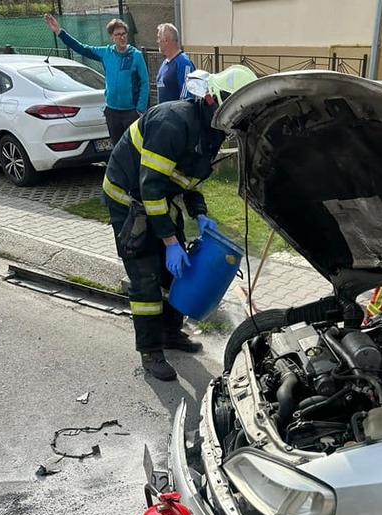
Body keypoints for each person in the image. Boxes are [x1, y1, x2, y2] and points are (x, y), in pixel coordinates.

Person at [102, 65, 258, 381]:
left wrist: (199, 215)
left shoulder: (210, 131)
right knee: (146, 280)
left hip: (157, 203)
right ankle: (150, 353)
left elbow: (189, 180)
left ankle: (170, 334)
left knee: (174, 273)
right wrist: (170, 242)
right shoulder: (171, 123)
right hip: (128, 202)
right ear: (214, 101)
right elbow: (150, 187)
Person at [44, 14, 149, 145]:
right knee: (117, 149)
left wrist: (140, 109)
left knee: (134, 149)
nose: (122, 37)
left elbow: (145, 83)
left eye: (124, 33)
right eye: (117, 34)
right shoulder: (105, 53)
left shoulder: (136, 55)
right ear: (111, 36)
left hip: (131, 112)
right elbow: (81, 48)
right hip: (112, 112)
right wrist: (59, 31)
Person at [156, 23, 195, 103]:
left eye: (159, 38)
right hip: (163, 114)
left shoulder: (183, 63)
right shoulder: (164, 63)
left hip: (175, 115)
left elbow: (186, 99)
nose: (157, 41)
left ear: (166, 40)